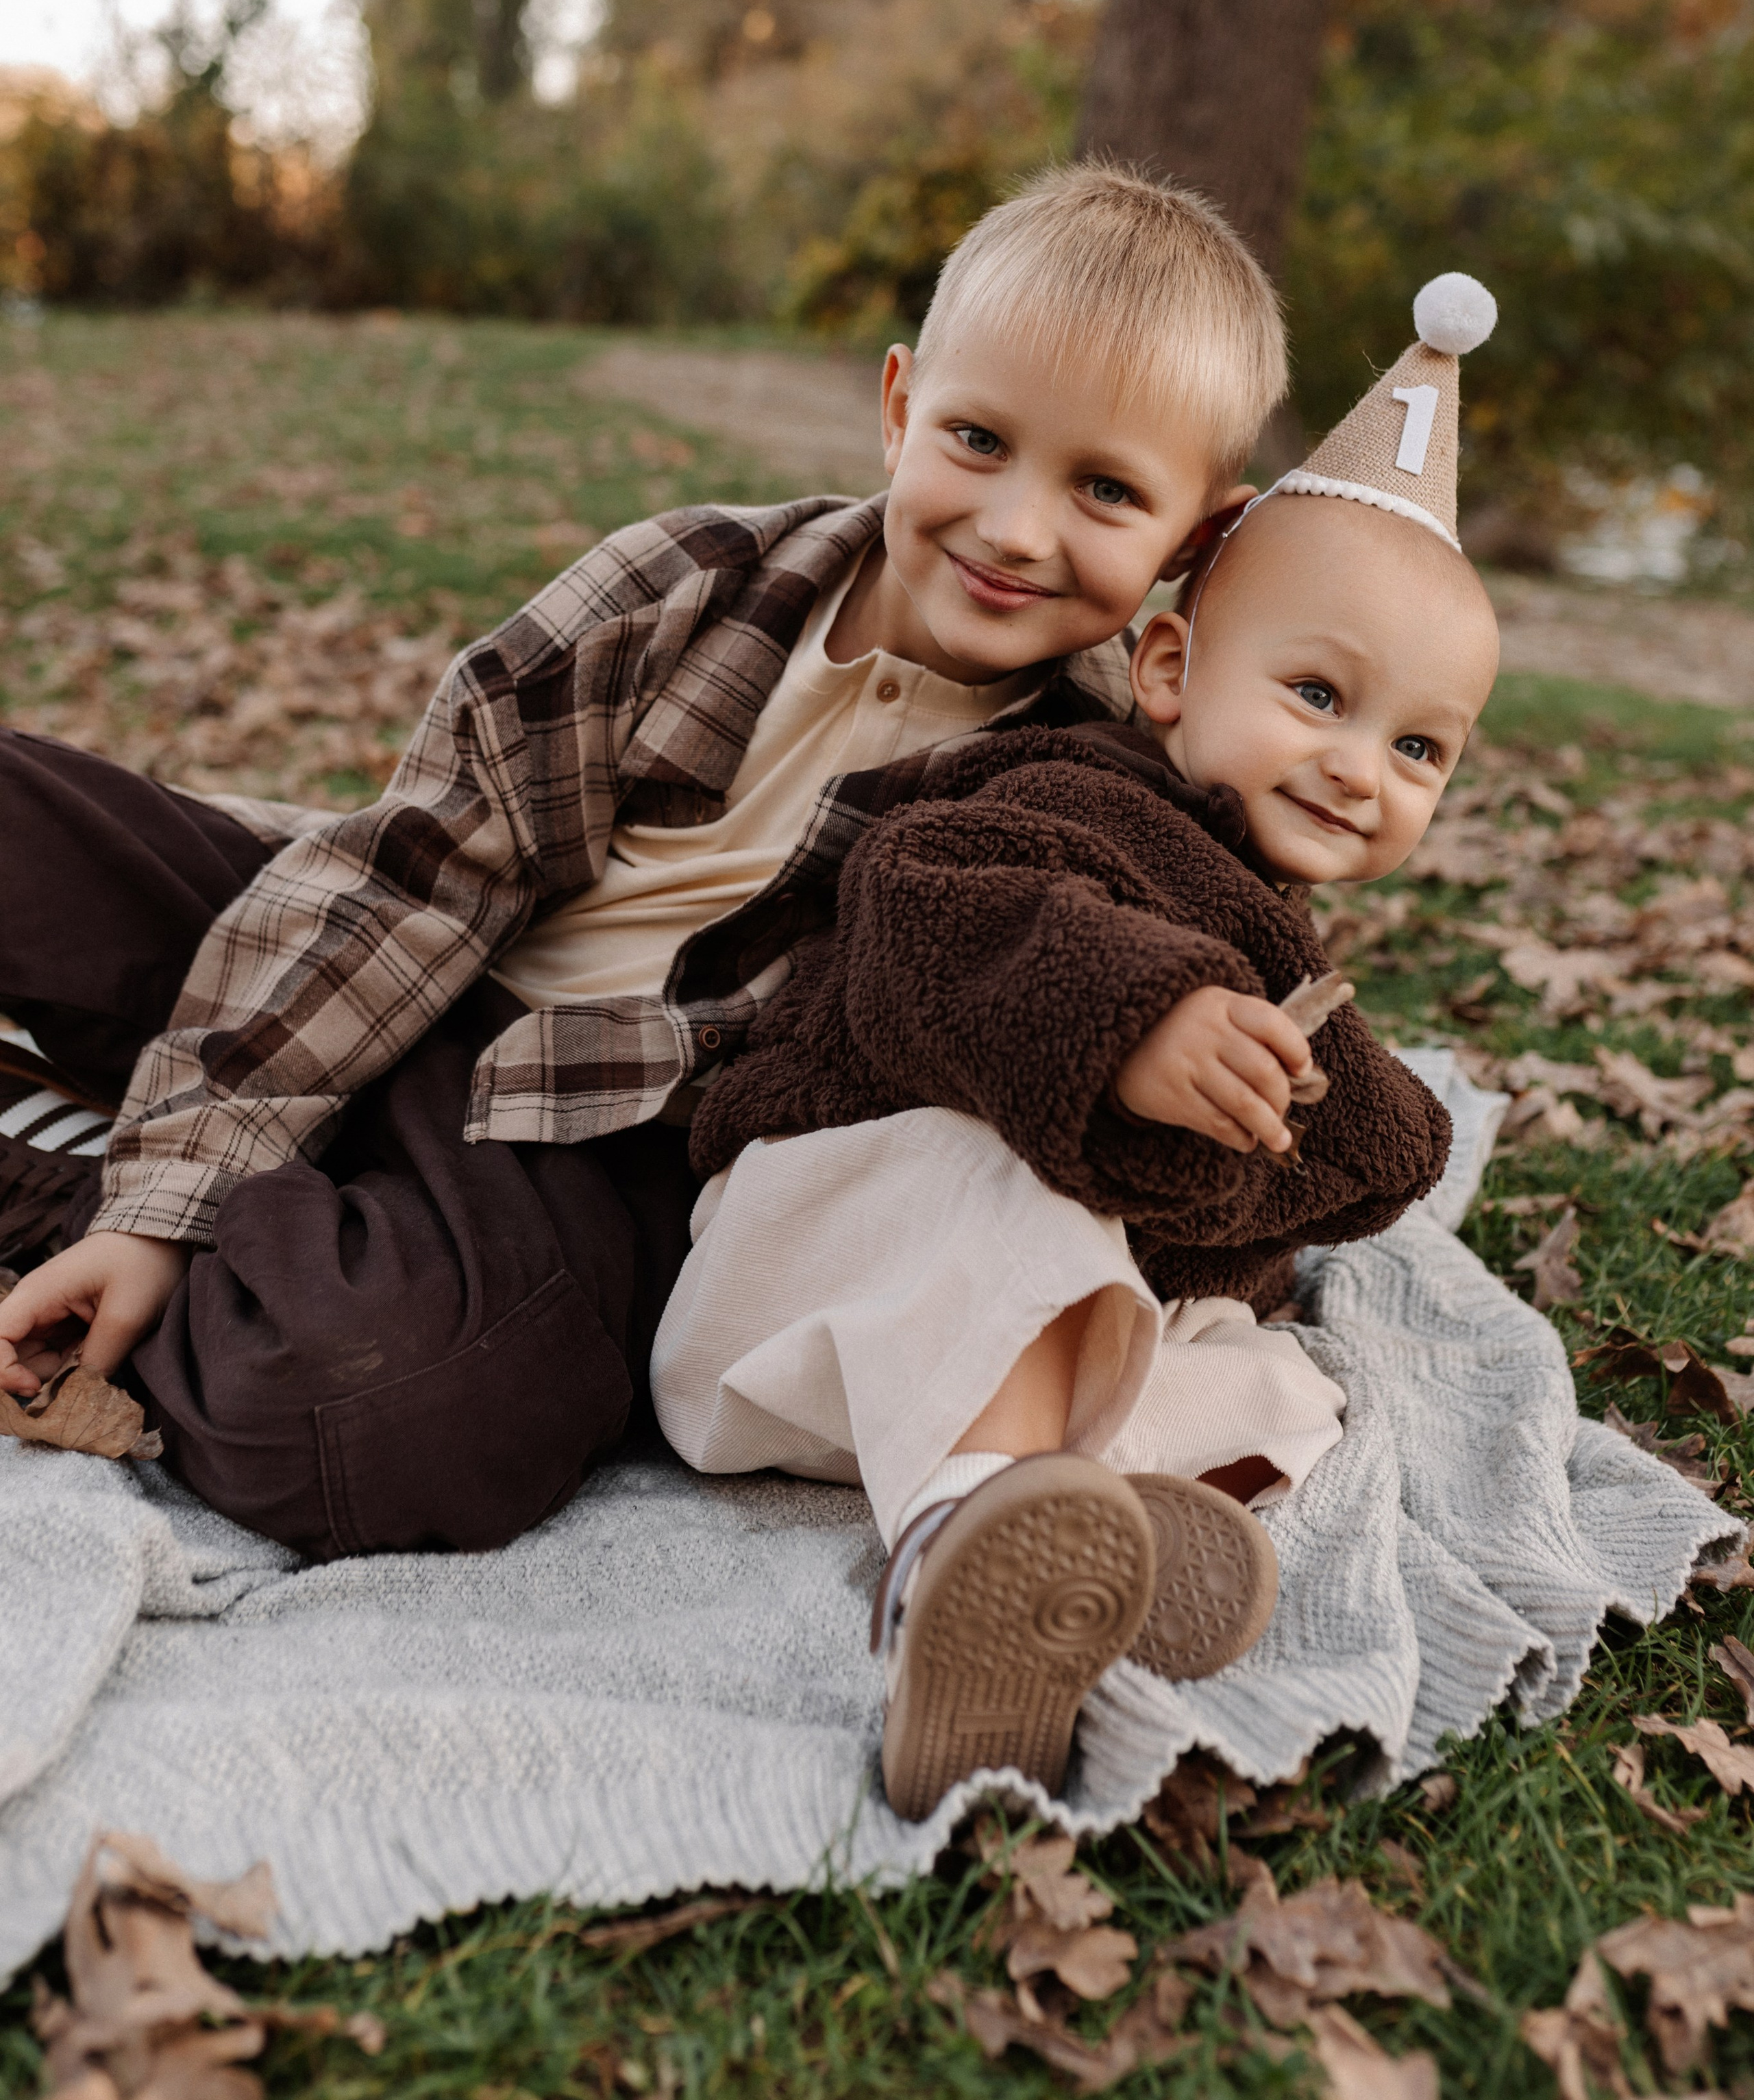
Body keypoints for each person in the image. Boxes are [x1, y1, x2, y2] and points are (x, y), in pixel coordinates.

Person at [0, 164, 1285, 1562]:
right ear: (900, 405)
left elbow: (1151, 1055)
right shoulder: (690, 583)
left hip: (597, 1150)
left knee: (367, 1415)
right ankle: (191, 1171)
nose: (1017, 527)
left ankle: (66, 1191)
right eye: (978, 440)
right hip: (430, 954)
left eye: (1105, 489)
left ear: (1197, 535)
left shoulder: (1096, 788)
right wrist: (185, 1189)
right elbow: (415, 874)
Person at [651, 276, 1503, 1819]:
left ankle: (1094, 1539)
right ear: (1168, 669)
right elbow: (920, 914)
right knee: (1009, 1197)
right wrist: (1133, 1020)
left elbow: (1335, 1166)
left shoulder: (1275, 935)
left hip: (976, 1374)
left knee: (1273, 1377)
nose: (1357, 768)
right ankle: (961, 1576)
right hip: (813, 1280)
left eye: (1415, 746)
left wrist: (1336, 1117)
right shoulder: (1067, 795)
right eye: (1317, 695)